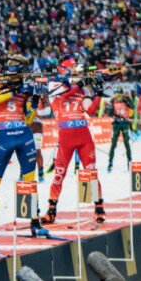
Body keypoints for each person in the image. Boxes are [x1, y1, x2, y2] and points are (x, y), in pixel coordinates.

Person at [0, 54, 45, 237]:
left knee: (30, 180)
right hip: (5, 138)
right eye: (22, 72)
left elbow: (28, 119)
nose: (24, 76)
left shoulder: (23, 88)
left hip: (24, 136)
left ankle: (35, 220)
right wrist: (16, 89)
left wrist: (34, 102)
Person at [42, 58, 105, 227]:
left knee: (91, 172)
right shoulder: (54, 84)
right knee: (59, 174)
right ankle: (51, 210)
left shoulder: (81, 88)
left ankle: (99, 208)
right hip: (66, 139)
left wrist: (98, 93)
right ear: (61, 69)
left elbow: (90, 110)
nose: (74, 69)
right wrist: (80, 82)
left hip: (84, 136)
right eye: (71, 67)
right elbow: (64, 94)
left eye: (75, 67)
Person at [105, 86, 137, 172]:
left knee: (126, 142)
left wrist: (126, 98)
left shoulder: (125, 99)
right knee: (114, 144)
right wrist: (117, 117)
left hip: (125, 124)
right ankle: (110, 163)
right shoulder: (112, 101)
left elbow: (133, 107)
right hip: (116, 124)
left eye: (119, 93)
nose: (117, 95)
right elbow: (109, 113)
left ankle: (129, 161)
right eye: (116, 93)